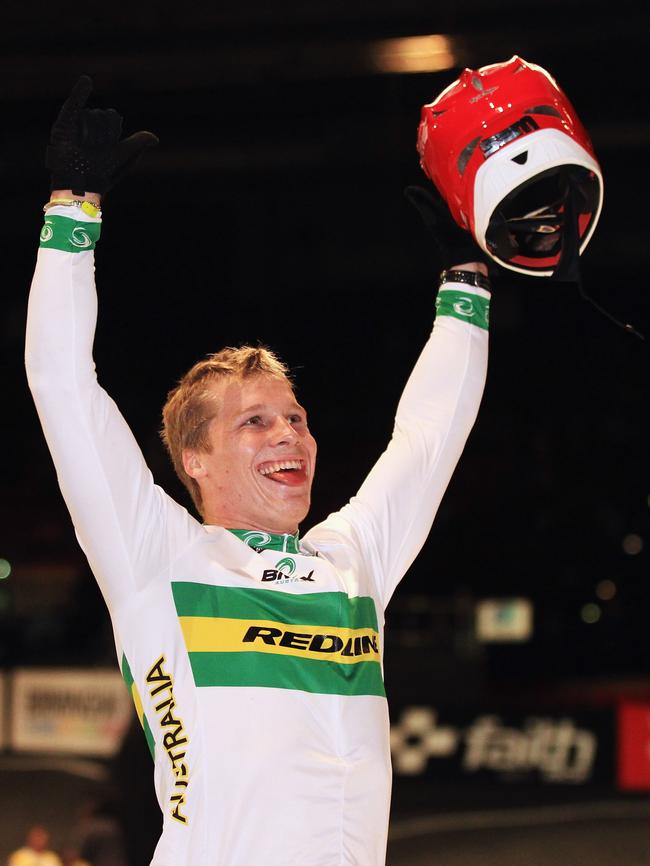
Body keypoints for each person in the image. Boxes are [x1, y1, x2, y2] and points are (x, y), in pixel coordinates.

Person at [26, 77, 490, 866]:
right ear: (194, 459)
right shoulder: (156, 557)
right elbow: (62, 385)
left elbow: (427, 442)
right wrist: (72, 213)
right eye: (256, 421)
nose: (292, 435)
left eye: (297, 418)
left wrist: (466, 291)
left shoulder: (350, 562)